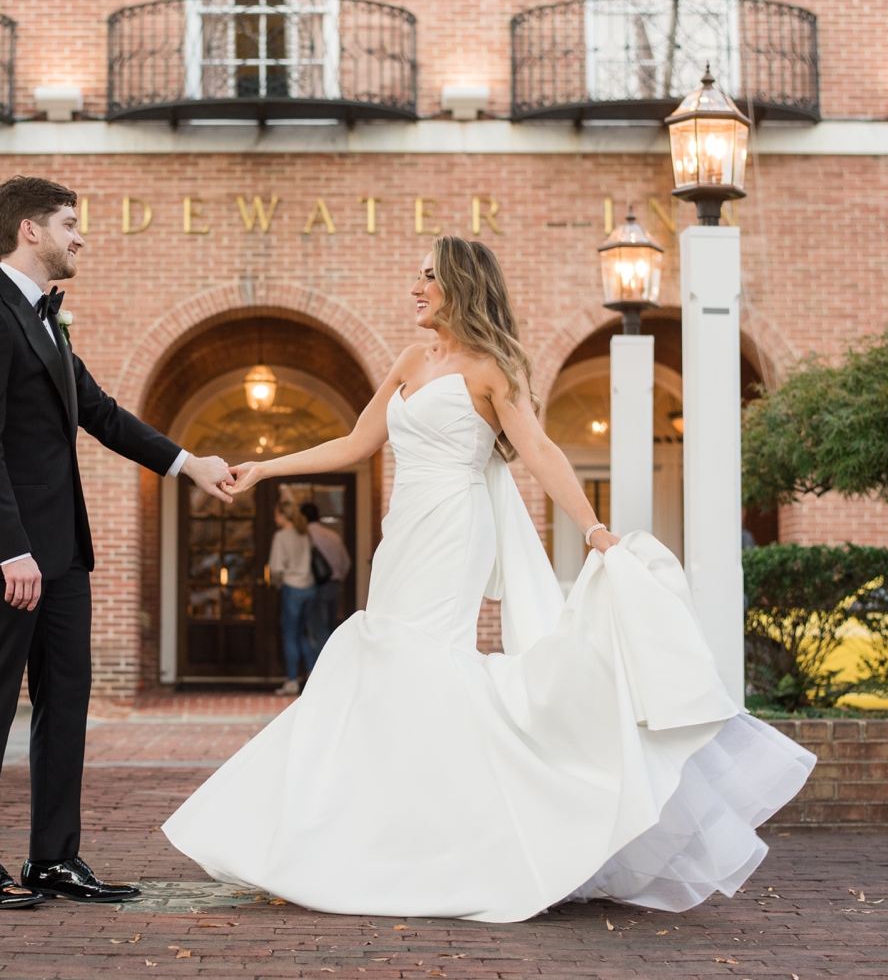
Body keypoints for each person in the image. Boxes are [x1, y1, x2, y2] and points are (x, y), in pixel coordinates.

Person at [162, 237, 815, 923]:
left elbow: (539, 450)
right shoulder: (412, 359)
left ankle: (478, 832)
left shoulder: (492, 368)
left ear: (460, 289)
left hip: (454, 528)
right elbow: (357, 443)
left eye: (428, 278)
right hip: (405, 530)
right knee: (385, 657)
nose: (415, 288)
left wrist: (593, 528)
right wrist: (266, 468)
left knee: (423, 660)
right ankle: (389, 828)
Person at [0, 176, 234, 910]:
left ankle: (53, 857)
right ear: (30, 230)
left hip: (63, 553)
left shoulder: (48, 321)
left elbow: (101, 412)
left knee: (66, 702)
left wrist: (190, 464)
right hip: (10, 557)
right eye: (69, 223)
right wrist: (10, 550)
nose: (80, 236)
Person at [267, 501, 316, 697]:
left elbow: (276, 568)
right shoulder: (304, 534)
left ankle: (292, 681)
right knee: (302, 633)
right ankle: (313, 674)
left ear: (282, 515)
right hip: (309, 587)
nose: (274, 518)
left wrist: (278, 583)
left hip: (292, 588)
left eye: (276, 514)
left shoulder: (281, 536)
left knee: (290, 635)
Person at [299, 501, 351, 651]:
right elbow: (346, 562)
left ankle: (325, 671)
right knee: (330, 627)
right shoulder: (333, 535)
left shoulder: (305, 536)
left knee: (319, 630)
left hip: (317, 587)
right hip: (335, 586)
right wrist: (338, 578)